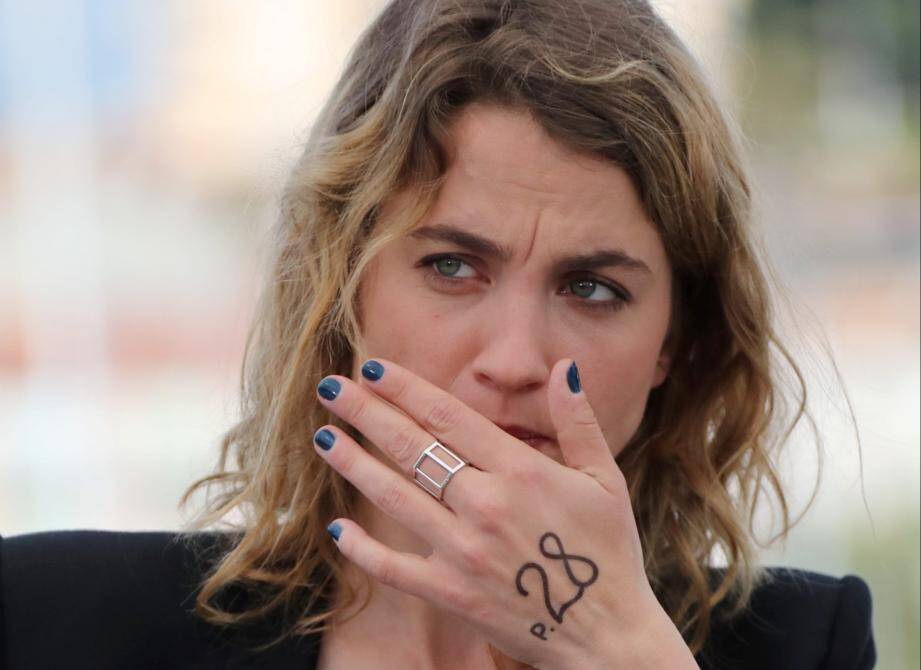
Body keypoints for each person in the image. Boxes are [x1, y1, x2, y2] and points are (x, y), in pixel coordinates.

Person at [0, 0, 877, 668]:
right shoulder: (55, 617)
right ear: (341, 291)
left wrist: (622, 646)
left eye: (593, 288)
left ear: (676, 345)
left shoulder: (805, 642)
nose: (515, 360)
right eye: (453, 267)